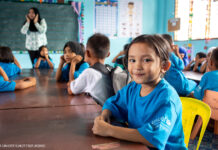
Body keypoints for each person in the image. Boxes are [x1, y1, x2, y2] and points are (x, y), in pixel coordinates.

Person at [92, 34, 187, 150]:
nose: (137, 66)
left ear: (164, 66)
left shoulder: (166, 98)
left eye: (147, 60)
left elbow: (153, 138)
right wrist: (105, 115)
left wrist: (108, 130)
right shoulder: (133, 88)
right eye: (132, 60)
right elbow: (113, 103)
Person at [67, 33, 114, 106]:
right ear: (108, 54)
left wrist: (73, 63)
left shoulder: (89, 72)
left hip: (99, 113)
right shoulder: (110, 69)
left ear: (87, 53)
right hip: (111, 111)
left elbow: (71, 90)